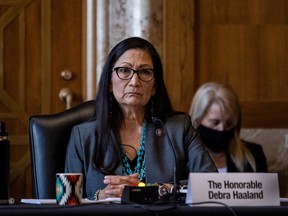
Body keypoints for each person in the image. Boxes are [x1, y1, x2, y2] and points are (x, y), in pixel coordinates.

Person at [65, 37, 217, 200]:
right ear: (110, 82)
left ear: (154, 86)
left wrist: (159, 189)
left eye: (145, 72)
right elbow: (68, 201)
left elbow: (212, 184)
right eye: (124, 70)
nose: (134, 81)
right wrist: (101, 196)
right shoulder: (83, 136)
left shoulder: (179, 128)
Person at [189, 82, 268, 173]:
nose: (222, 129)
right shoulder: (183, 158)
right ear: (197, 120)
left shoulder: (253, 155)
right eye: (215, 122)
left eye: (229, 123)